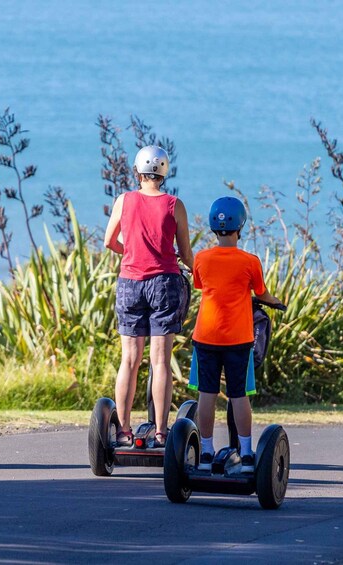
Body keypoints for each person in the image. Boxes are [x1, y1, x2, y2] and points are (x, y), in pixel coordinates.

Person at [104, 146, 194, 448]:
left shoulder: (124, 200)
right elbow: (185, 252)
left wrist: (129, 252)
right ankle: (159, 430)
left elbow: (109, 241)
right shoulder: (174, 204)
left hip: (130, 281)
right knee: (160, 361)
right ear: (164, 172)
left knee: (129, 359)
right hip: (165, 283)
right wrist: (195, 270)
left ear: (137, 172)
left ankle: (124, 429)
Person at [189, 196, 284, 473]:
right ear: (240, 226)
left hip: (206, 337)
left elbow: (199, 284)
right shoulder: (250, 261)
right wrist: (275, 302)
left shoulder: (202, 258)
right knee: (238, 395)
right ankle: (246, 454)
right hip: (238, 339)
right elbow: (261, 293)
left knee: (206, 395)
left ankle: (206, 453)